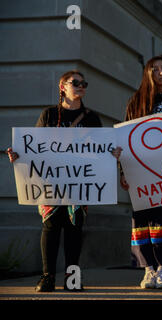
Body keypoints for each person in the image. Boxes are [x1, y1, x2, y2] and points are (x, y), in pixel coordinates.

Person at [7, 70, 121, 292]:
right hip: (50, 181)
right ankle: (47, 277)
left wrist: (112, 156)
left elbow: (100, 152)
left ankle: (73, 278)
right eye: (75, 82)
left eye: (84, 83)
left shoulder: (91, 118)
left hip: (80, 181)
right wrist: (18, 155)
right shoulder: (49, 115)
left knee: (74, 227)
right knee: (50, 226)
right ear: (62, 87)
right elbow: (34, 147)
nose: (80, 86)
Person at [120, 55, 162, 289]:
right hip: (142, 172)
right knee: (144, 221)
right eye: (156, 69)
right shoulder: (136, 102)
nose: (161, 72)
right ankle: (148, 269)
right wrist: (123, 172)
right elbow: (126, 139)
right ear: (148, 73)